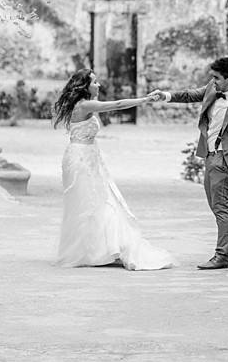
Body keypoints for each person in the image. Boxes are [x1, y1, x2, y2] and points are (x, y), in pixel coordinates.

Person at [52, 68, 175, 271]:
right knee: (91, 202)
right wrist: (144, 100)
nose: (98, 85)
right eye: (94, 82)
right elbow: (117, 104)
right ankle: (93, 250)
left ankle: (97, 249)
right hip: (82, 158)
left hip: (84, 155)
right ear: (85, 87)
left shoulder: (78, 104)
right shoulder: (86, 105)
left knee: (94, 201)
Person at [151, 57, 228, 270]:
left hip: (226, 158)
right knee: (217, 205)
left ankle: (222, 255)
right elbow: (188, 95)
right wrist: (164, 95)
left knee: (221, 206)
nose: (212, 81)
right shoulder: (212, 89)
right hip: (210, 156)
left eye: (216, 78)